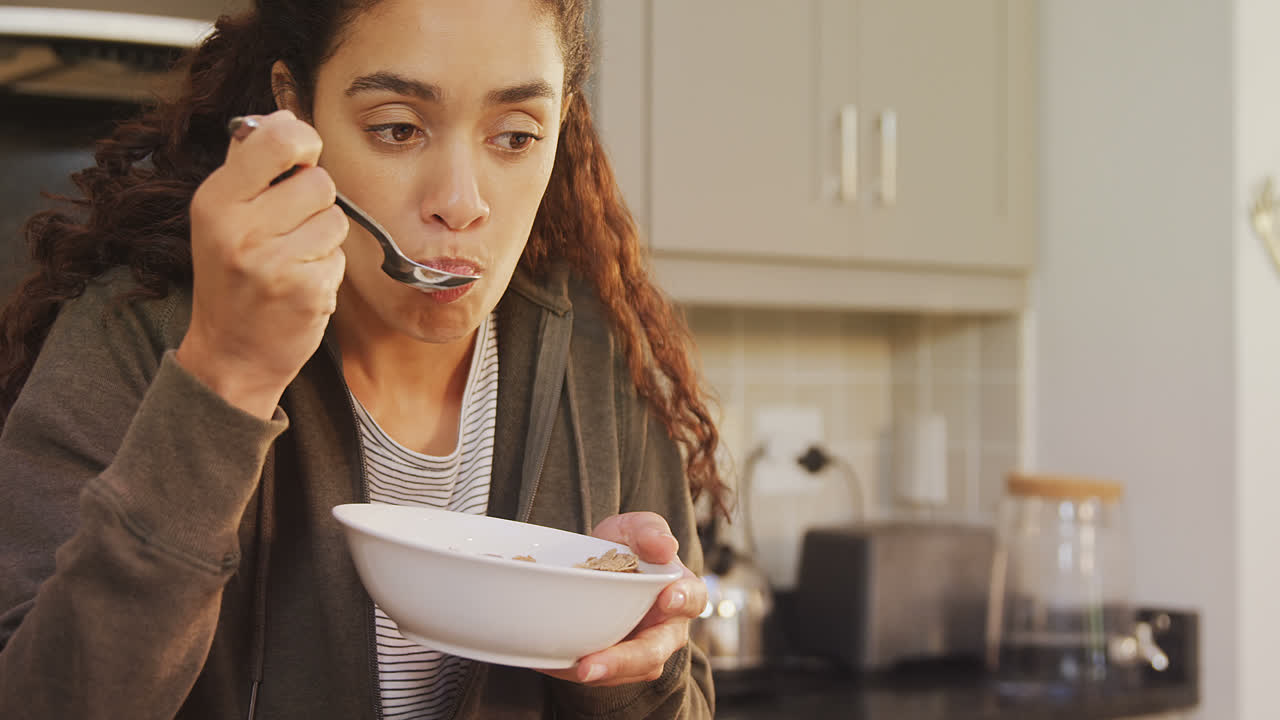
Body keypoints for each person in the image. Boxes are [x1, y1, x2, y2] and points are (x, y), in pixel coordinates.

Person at [0, 0, 729, 717]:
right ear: (296, 109)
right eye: (398, 128)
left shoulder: (597, 360)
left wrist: (626, 662)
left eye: (514, 137)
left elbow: (682, 701)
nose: (460, 202)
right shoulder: (140, 332)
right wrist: (227, 378)